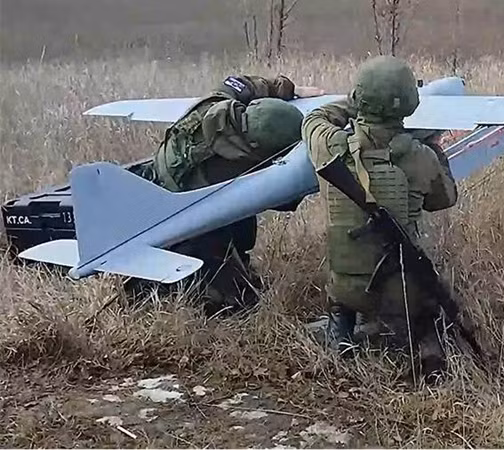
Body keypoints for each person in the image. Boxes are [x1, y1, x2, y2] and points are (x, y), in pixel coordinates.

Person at [302, 56, 459, 382]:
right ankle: (422, 343)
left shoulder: (330, 146)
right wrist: (435, 151)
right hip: (402, 292)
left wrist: (357, 102)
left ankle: (341, 330)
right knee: (422, 286)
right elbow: (444, 200)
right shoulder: (422, 157)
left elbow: (315, 118)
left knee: (347, 261)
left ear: (359, 98)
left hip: (346, 287)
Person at [125, 74, 324, 316]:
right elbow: (284, 199)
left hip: (162, 183)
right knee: (239, 303)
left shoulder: (217, 109)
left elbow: (239, 83)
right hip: (180, 209)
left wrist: (285, 88)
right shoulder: (223, 173)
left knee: (238, 224)